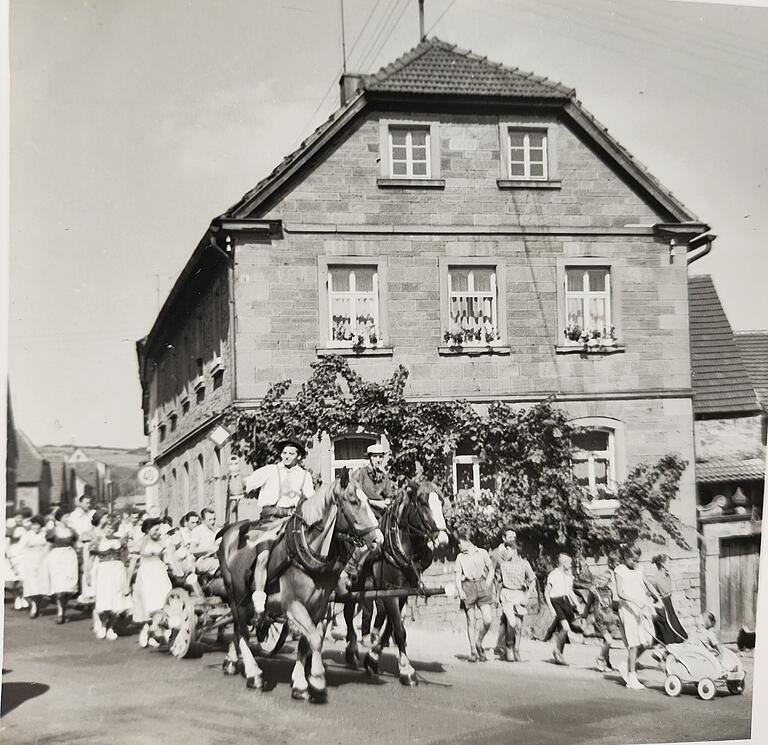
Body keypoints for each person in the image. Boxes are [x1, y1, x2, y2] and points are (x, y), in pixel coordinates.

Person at [243, 438, 314, 618]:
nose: (287, 456)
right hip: (270, 519)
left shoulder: (304, 475)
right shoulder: (270, 470)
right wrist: (237, 478)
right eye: (284, 453)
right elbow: (248, 482)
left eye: (291, 453)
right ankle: (259, 594)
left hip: (293, 519)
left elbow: (311, 498)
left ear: (298, 456)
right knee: (263, 556)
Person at [338, 443, 396, 592]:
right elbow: (355, 495)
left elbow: (389, 497)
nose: (378, 459)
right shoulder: (360, 474)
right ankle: (352, 568)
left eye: (380, 457)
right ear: (369, 458)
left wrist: (386, 503)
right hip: (363, 515)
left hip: (380, 517)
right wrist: (377, 503)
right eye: (375, 456)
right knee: (371, 542)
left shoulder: (384, 476)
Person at [614, 545, 655, 690]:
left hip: (642, 609)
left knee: (648, 641)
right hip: (628, 610)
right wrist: (635, 600)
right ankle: (631, 678)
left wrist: (657, 596)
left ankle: (626, 665)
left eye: (637, 560)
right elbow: (620, 592)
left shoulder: (639, 568)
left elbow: (646, 582)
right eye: (633, 560)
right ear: (625, 557)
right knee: (634, 644)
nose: (635, 563)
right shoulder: (619, 570)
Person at [131, 517, 175, 647]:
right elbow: (133, 562)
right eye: (155, 529)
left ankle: (157, 629)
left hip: (160, 573)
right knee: (149, 604)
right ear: (148, 530)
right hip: (146, 575)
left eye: (159, 529)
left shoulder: (163, 542)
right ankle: (146, 630)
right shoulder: (139, 543)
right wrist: (127, 583)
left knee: (162, 602)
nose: (158, 532)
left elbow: (169, 559)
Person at [493, 528, 535, 662]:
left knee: (518, 625)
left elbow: (533, 580)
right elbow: (498, 581)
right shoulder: (503, 565)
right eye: (505, 550)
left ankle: (516, 650)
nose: (506, 553)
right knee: (510, 622)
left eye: (509, 550)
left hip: (519, 595)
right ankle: (509, 647)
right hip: (506, 595)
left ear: (515, 550)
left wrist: (527, 596)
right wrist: (496, 597)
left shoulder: (524, 563)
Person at [455, 526, 495, 662]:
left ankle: (479, 642)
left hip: (482, 585)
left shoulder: (482, 553)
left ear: (467, 541)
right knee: (471, 620)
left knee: (488, 619)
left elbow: (491, 569)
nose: (458, 545)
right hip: (468, 587)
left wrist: (488, 583)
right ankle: (473, 650)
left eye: (460, 542)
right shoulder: (460, 557)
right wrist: (460, 590)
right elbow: (457, 576)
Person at [91, 515, 130, 640]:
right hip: (104, 571)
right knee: (105, 598)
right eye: (107, 527)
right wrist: (89, 574)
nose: (109, 530)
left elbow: (125, 558)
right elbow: (93, 559)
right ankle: (103, 625)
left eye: (112, 528)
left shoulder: (120, 540)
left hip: (117, 571)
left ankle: (111, 627)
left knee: (116, 599)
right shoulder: (98, 540)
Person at [544, 552, 581, 666]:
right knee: (565, 628)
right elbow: (546, 593)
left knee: (565, 629)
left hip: (566, 602)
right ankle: (557, 651)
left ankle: (559, 654)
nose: (571, 565)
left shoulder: (568, 576)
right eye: (569, 563)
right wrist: (551, 608)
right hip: (556, 601)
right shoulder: (553, 574)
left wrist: (577, 604)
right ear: (563, 563)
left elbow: (570, 592)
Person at [44, 508, 80, 623]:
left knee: (68, 588)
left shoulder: (72, 531)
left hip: (70, 558)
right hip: (57, 558)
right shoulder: (53, 531)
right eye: (66, 516)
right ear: (60, 518)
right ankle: (60, 611)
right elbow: (48, 547)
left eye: (69, 516)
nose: (68, 519)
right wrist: (44, 561)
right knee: (59, 588)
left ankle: (63, 609)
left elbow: (76, 545)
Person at [648, 554, 688, 646]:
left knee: (674, 624)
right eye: (668, 562)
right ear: (662, 564)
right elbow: (661, 592)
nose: (670, 565)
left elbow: (669, 592)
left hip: (668, 602)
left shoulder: (667, 576)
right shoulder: (656, 578)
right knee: (667, 626)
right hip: (661, 603)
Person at [17, 514, 49, 618]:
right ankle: (34, 606)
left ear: (41, 525)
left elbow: (48, 547)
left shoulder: (44, 534)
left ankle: (37, 606)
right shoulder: (27, 535)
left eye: (38, 525)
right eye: (34, 525)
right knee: (32, 585)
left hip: (42, 561)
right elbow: (20, 549)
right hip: (30, 562)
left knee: (40, 586)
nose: (35, 527)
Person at [189, 508, 219, 575]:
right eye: (210, 520)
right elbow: (192, 550)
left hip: (215, 559)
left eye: (214, 519)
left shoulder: (216, 530)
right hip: (202, 561)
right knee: (225, 564)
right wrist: (209, 549)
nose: (213, 522)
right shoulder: (198, 530)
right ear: (203, 520)